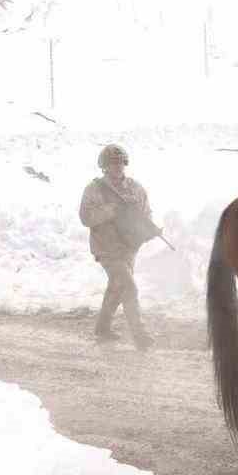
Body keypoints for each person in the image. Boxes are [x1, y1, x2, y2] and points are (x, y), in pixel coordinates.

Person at [79, 144, 158, 350]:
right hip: (106, 248)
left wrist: (149, 229)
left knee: (117, 286)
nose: (117, 167)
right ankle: (140, 334)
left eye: (120, 162)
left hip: (129, 247)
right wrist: (110, 210)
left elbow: (145, 213)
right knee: (128, 286)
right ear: (104, 166)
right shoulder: (95, 189)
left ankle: (102, 328)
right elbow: (86, 218)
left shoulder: (135, 188)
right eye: (112, 163)